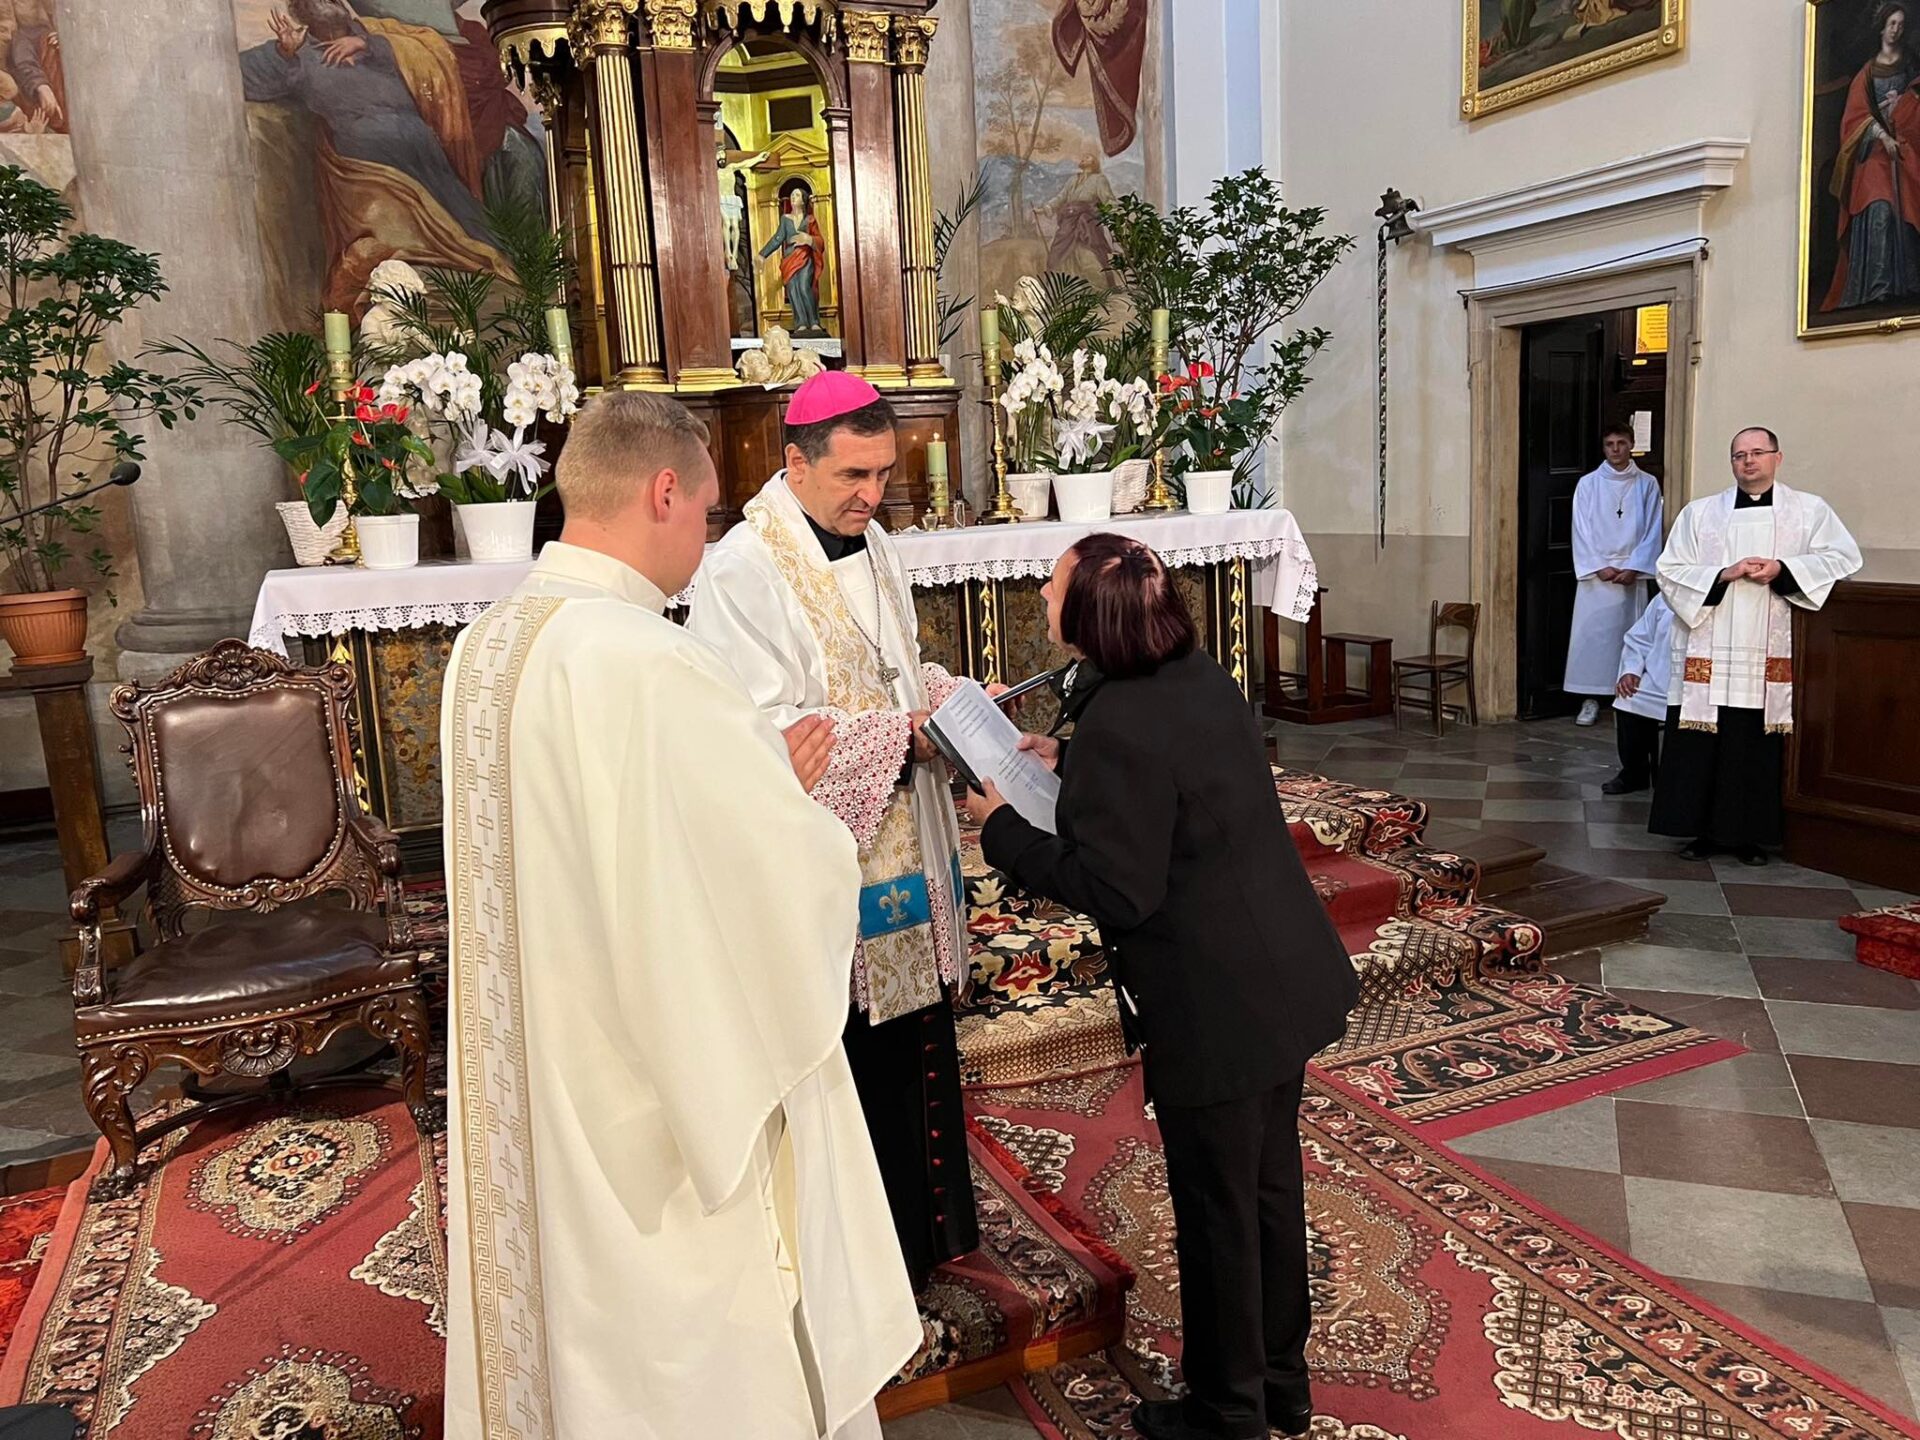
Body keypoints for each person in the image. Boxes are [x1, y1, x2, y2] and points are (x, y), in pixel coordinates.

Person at [440, 392, 920, 1439]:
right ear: (664, 492)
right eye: (705, 514)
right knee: (683, 1335)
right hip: (648, 1093)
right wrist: (793, 803)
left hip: (541, 1063)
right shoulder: (649, 662)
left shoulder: (487, 647)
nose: (705, 543)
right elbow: (761, 887)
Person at [962, 534, 1358, 1440]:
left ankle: (1227, 1412)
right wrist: (1067, 763)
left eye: (1054, 587)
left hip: (1213, 1002)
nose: (1043, 598)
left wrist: (1002, 828)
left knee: (1220, 1212)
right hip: (1276, 976)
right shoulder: (1194, 677)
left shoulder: (1121, 721)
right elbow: (1166, 782)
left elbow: (1118, 889)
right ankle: (1280, 1385)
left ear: (1090, 615)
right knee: (1267, 1191)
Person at [686, 369, 980, 1289]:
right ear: (795, 462)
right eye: (854, 474)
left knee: (914, 1034)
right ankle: (857, 1268)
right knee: (852, 1052)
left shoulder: (877, 541)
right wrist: (898, 735)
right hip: (826, 854)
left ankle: (923, 1241)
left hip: (904, 831)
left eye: (883, 473)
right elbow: (762, 730)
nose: (872, 494)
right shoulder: (743, 567)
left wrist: (944, 701)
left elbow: (897, 667)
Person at [1649, 428, 1862, 865]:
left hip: (1768, 647)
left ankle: (1750, 837)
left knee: (1751, 745)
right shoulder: (1700, 513)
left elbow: (1843, 557)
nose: (1748, 461)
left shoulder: (1808, 511)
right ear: (1732, 462)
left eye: (1758, 452)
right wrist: (1722, 574)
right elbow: (1668, 570)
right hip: (1709, 647)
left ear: (1777, 458)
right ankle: (1702, 833)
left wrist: (1783, 568)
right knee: (1703, 743)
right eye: (1739, 455)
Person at [1822, 1, 1920, 312]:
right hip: (1874, 152)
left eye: (1901, 24)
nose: (1896, 30)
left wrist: (1904, 104)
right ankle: (1877, 285)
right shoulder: (1866, 73)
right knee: (1879, 207)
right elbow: (1856, 117)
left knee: (1908, 201)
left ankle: (1908, 282)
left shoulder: (1910, 66)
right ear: (1882, 28)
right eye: (1892, 24)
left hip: (1907, 146)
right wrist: (1883, 136)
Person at [1565, 422, 1663, 726]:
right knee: (1593, 640)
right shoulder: (1588, 484)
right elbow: (1580, 528)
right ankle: (1590, 699)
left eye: (1621, 443)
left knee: (1632, 637)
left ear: (1631, 444)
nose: (1616, 449)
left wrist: (1636, 566)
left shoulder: (1647, 483)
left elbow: (1654, 528)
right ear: (1603, 448)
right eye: (1610, 444)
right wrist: (1598, 565)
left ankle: (1630, 700)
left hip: (1632, 573)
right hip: (1598, 576)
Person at [1606, 593, 1674, 796]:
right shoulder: (1665, 597)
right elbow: (1639, 638)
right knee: (1629, 698)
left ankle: (1672, 776)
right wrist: (1631, 670)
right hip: (1659, 676)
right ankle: (1634, 773)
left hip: (1699, 683)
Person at [761, 184, 828, 335]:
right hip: (789, 260)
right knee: (793, 290)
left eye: (797, 195)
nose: (793, 197)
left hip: (805, 259)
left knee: (804, 287)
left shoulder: (809, 220)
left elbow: (820, 241)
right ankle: (801, 323)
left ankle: (814, 322)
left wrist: (808, 239)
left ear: (803, 200)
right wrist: (762, 255)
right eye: (791, 195)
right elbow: (777, 239)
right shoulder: (785, 219)